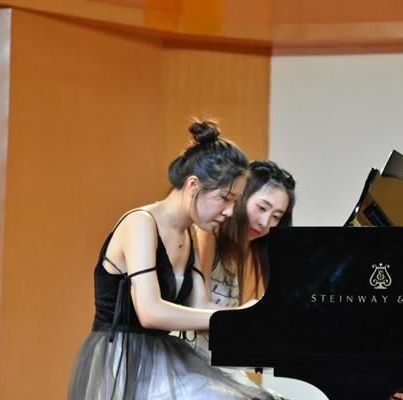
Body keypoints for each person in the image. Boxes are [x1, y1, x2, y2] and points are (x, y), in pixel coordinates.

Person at [68, 121, 277, 399]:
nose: (229, 212)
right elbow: (150, 312)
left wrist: (255, 320)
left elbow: (200, 306)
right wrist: (234, 317)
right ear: (193, 185)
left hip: (159, 359)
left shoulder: (191, 233)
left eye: (234, 202)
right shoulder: (140, 223)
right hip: (124, 361)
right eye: (225, 199)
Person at [197, 160, 296, 308]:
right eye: (262, 208)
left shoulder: (262, 252)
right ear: (239, 197)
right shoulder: (207, 234)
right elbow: (199, 307)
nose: (264, 223)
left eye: (276, 216)